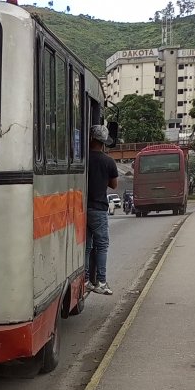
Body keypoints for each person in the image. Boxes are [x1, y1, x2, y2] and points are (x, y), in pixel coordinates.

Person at [85, 125, 118, 295]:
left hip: (83, 208)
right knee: (102, 245)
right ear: (104, 142)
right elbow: (113, 184)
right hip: (99, 208)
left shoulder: (82, 159)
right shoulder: (108, 162)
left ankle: (85, 279)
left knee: (87, 246)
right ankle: (101, 282)